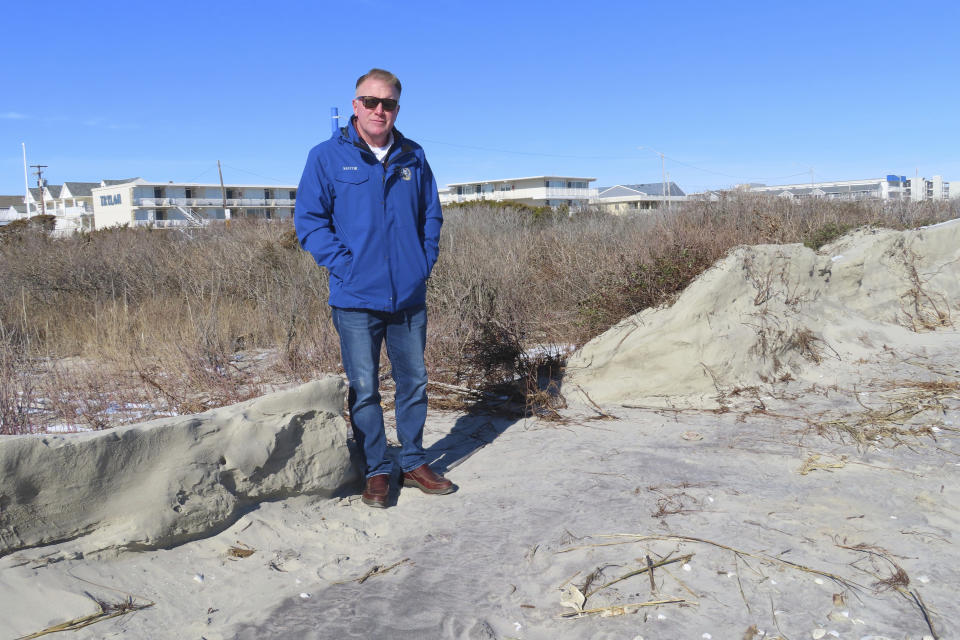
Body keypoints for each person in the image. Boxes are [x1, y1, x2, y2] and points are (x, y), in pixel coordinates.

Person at [294, 68, 454, 508]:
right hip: (355, 299)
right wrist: (346, 267)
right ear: (355, 105)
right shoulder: (326, 157)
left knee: (414, 382)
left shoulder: (413, 156)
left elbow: (431, 216)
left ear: (397, 108)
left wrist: (423, 263)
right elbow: (309, 221)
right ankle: (378, 469)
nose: (378, 110)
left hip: (408, 297)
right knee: (364, 387)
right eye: (370, 101)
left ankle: (415, 459)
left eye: (388, 103)